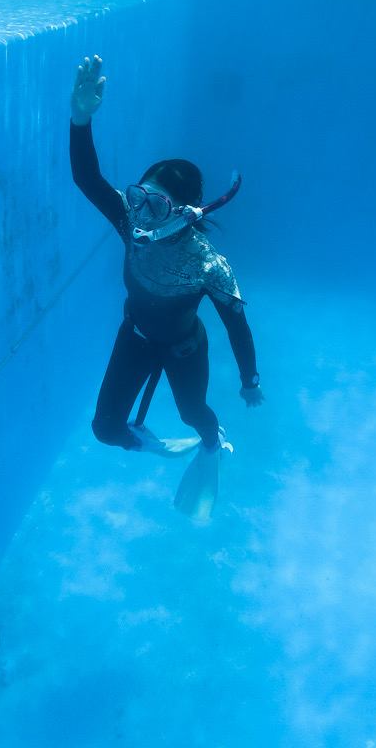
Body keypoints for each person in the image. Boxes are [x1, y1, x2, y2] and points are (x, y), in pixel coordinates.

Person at [70, 55, 263, 518]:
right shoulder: (129, 219)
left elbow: (238, 327)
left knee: (194, 415)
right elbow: (87, 178)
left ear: (186, 213)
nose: (138, 215)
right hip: (135, 337)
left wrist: (249, 380)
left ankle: (212, 446)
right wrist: (80, 118)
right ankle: (147, 443)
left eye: (155, 206)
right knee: (104, 429)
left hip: (182, 350)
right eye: (136, 197)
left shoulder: (208, 265)